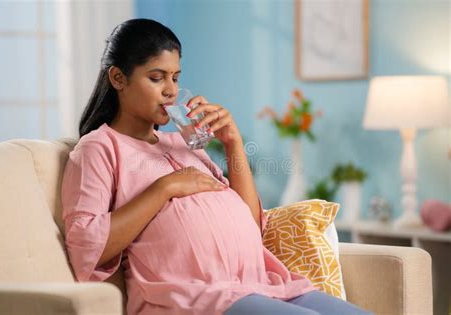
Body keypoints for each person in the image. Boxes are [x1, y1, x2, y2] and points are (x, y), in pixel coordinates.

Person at [61, 18, 373, 315]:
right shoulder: (99, 148)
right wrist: (165, 187)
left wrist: (232, 142)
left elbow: (252, 227)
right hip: (190, 297)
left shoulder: (184, 144)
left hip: (263, 283)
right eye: (157, 77)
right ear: (118, 78)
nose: (170, 90)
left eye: (176, 77)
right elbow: (87, 247)